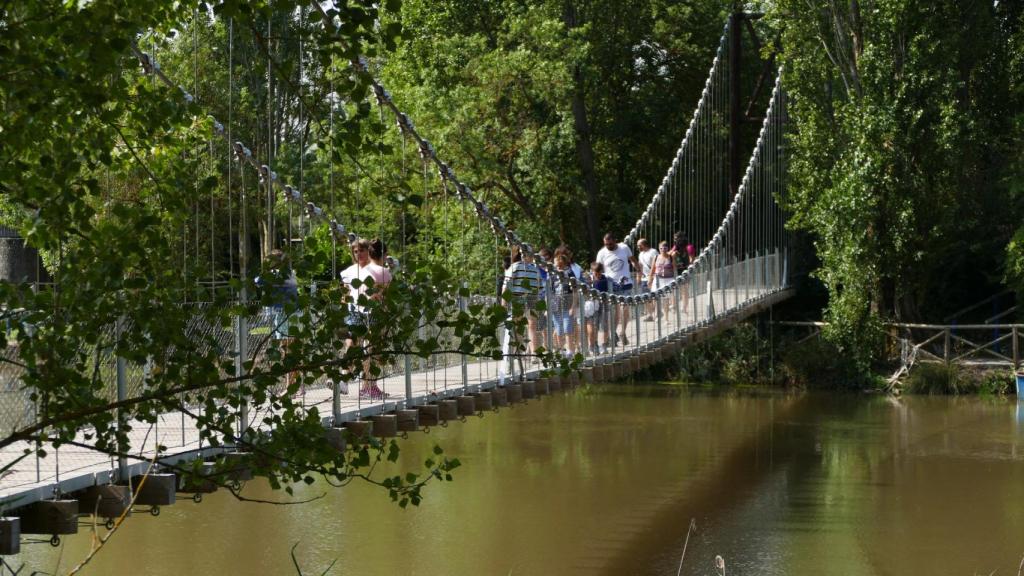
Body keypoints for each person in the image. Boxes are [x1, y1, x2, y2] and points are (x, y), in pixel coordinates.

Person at [340, 238, 392, 400]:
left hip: (370, 310)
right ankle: (346, 377)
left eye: (362, 250)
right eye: (355, 252)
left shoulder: (372, 270)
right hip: (355, 310)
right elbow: (345, 293)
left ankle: (366, 385)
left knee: (370, 346)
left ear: (368, 252)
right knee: (354, 343)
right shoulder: (350, 271)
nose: (359, 254)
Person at [595, 232, 637, 345]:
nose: (608, 246)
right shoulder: (602, 253)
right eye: (606, 244)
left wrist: (639, 270)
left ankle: (623, 332)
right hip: (611, 285)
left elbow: (632, 259)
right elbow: (597, 269)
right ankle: (613, 335)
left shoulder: (624, 247)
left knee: (625, 309)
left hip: (626, 283)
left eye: (610, 244)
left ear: (615, 241)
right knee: (614, 313)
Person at [503, 247, 542, 358]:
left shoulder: (533, 268)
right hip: (524, 299)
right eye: (531, 255)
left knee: (525, 326)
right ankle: (524, 351)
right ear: (525, 255)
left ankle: (529, 351)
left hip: (525, 298)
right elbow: (506, 284)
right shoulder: (517, 267)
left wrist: (504, 302)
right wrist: (504, 303)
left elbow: (539, 286)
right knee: (527, 326)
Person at [551, 253, 578, 358]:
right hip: (555, 305)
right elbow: (550, 291)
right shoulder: (552, 274)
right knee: (558, 329)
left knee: (568, 328)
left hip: (567, 304)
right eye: (556, 265)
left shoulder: (570, 273)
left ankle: (570, 351)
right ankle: (561, 350)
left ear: (563, 264)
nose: (557, 267)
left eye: (559, 265)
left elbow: (575, 290)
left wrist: (573, 306)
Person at [585, 261, 610, 355]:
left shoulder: (605, 279)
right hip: (592, 306)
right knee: (593, 326)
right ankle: (593, 345)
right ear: (592, 271)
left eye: (599, 273)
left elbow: (609, 290)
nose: (598, 275)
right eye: (596, 273)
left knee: (604, 325)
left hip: (603, 304)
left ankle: (603, 345)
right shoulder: (588, 280)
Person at [636, 238, 659, 321]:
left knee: (654, 297)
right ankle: (650, 315)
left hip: (653, 277)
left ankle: (656, 314)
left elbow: (655, 264)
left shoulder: (653, 252)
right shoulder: (640, 254)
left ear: (644, 244)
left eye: (639, 245)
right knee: (645, 297)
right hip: (644, 278)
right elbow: (640, 265)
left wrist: (651, 276)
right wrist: (638, 276)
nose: (638, 247)